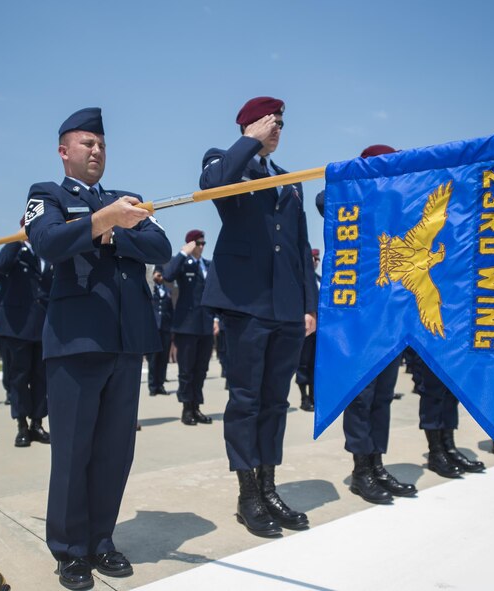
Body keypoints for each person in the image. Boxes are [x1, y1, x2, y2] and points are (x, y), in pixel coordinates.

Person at [24, 107, 171, 589]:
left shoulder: (127, 199)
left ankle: (101, 540)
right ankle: (69, 549)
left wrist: (113, 228)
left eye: (101, 144)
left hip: (127, 340)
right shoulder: (45, 195)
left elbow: (160, 247)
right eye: (87, 143)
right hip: (76, 341)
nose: (96, 150)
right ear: (64, 151)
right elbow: (47, 243)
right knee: (72, 451)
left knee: (114, 450)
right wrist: (103, 221)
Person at [199, 96, 318, 537]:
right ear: (250, 125)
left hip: (286, 308)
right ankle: (247, 493)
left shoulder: (291, 180)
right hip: (245, 304)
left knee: (275, 401)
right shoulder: (226, 161)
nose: (278, 128)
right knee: (246, 400)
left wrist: (310, 305)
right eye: (271, 121)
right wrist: (247, 142)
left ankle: (269, 487)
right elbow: (215, 184)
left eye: (281, 123)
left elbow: (302, 246)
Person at [319, 144, 419, 502]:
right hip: (356, 321)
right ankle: (361, 470)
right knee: (360, 397)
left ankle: (377, 464)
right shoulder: (352, 202)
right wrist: (362, 181)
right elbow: (321, 198)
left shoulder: (397, 210)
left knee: (382, 397)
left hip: (389, 319)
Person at [0, 227, 52, 447]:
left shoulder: (48, 252)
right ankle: (22, 425)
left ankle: (37, 423)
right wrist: (16, 239)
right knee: (19, 378)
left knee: (41, 378)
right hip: (17, 326)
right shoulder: (15, 252)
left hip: (43, 325)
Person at [163, 229, 215, 425]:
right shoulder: (183, 264)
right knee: (186, 370)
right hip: (186, 326)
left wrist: (216, 320)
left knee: (201, 369)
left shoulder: (208, 266)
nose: (201, 247)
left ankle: (196, 406)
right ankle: (186, 408)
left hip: (205, 325)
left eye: (203, 243)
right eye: (198, 243)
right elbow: (168, 275)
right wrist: (183, 252)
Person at [294, 248, 321, 411]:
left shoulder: (319, 280)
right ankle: (304, 397)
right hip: (305, 329)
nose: (315, 261)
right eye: (313, 258)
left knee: (315, 365)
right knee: (303, 364)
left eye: (317, 259)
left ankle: (312, 396)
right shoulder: (300, 280)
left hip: (319, 331)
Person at [146, 265, 173, 396]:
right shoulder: (150, 288)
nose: (160, 277)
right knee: (153, 359)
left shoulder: (168, 291)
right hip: (153, 328)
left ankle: (160, 384)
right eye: (157, 274)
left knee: (163, 359)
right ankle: (152, 386)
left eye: (161, 275)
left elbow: (170, 310)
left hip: (165, 329)